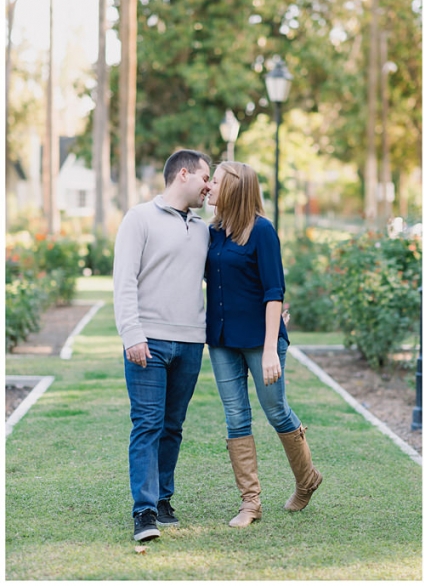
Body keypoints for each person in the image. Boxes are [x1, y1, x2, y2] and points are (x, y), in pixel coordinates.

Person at [205, 161, 322, 528]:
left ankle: (307, 481)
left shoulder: (263, 231)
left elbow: (274, 293)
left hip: (261, 340)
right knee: (236, 416)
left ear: (235, 189)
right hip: (222, 339)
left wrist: (272, 348)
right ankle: (250, 503)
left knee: (276, 411)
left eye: (216, 182)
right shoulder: (212, 233)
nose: (208, 186)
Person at [113, 149, 212, 542]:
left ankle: (164, 499)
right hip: (148, 342)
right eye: (206, 177)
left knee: (173, 427)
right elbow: (124, 281)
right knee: (148, 425)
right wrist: (132, 334)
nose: (209, 186)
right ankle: (145, 511)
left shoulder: (204, 228)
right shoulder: (139, 218)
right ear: (183, 174)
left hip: (190, 343)